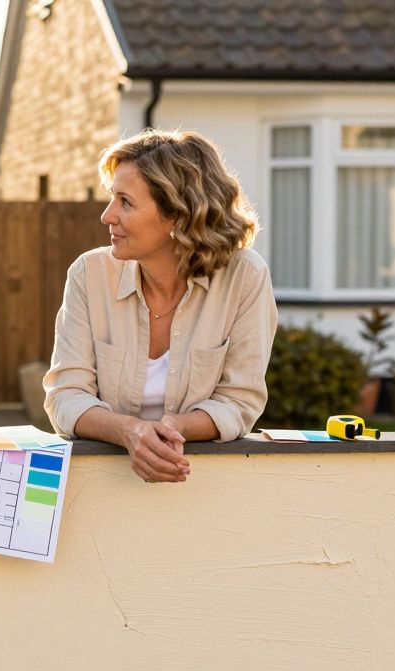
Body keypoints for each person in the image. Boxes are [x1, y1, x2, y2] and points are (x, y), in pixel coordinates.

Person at [44, 129, 277, 483]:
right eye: (112, 198)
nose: (107, 216)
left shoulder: (246, 277)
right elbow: (66, 397)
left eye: (125, 202)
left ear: (178, 215)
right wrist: (129, 431)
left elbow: (239, 401)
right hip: (100, 485)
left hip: (201, 483)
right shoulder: (89, 274)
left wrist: (172, 429)